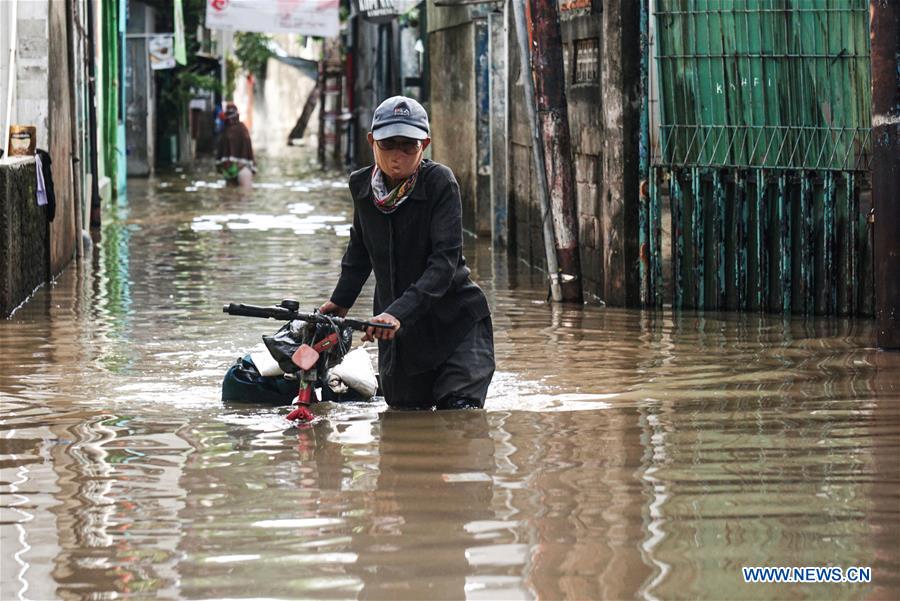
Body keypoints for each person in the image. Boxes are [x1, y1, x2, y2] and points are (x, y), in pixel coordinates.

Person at [320, 96, 494, 410]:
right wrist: (341, 301)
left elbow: (444, 263)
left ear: (423, 145)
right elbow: (360, 250)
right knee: (403, 413)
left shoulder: (440, 184)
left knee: (460, 415)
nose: (397, 157)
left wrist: (397, 313)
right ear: (372, 141)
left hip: (455, 324)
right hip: (397, 332)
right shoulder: (361, 187)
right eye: (388, 145)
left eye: (408, 146)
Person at [216, 102, 255, 187]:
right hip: (241, 168)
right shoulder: (242, 129)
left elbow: (220, 153)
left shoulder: (225, 131)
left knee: (230, 197)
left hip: (231, 169)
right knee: (243, 197)